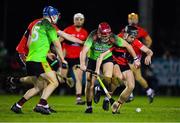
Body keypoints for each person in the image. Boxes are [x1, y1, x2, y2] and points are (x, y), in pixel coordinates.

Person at [10, 6, 77, 115]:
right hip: (35, 59)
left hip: (31, 58)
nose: (57, 18)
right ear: (51, 16)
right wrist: (62, 59)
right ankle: (41, 104)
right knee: (54, 82)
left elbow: (31, 43)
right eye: (55, 16)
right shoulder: (49, 26)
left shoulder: (36, 23)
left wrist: (47, 53)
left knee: (39, 86)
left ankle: (17, 105)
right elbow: (57, 43)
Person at [79, 22, 140, 113]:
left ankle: (99, 88)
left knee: (108, 78)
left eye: (107, 36)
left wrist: (136, 59)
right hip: (92, 59)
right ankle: (89, 106)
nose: (106, 38)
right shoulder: (93, 36)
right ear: (99, 33)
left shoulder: (113, 37)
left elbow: (128, 45)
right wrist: (82, 64)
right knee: (89, 84)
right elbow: (83, 52)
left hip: (106, 58)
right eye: (104, 36)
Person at [95, 25, 152, 114]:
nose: (133, 39)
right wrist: (97, 68)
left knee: (131, 86)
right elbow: (102, 54)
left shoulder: (135, 42)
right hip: (114, 62)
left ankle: (116, 105)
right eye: (131, 37)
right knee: (119, 78)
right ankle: (102, 91)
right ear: (125, 35)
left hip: (125, 64)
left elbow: (149, 51)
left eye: (134, 37)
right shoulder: (116, 39)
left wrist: (149, 55)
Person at [118, 13, 155, 102]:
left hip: (135, 57)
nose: (132, 20)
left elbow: (149, 40)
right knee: (137, 77)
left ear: (137, 20)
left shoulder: (141, 30)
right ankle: (149, 91)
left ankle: (130, 93)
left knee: (126, 75)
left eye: (134, 19)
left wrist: (144, 50)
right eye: (130, 19)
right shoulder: (125, 30)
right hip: (127, 56)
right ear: (128, 20)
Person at [61, 13, 88, 105]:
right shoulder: (68, 30)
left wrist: (85, 59)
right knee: (61, 79)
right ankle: (66, 80)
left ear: (83, 21)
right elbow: (58, 41)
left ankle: (79, 98)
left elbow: (86, 48)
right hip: (66, 58)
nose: (78, 21)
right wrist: (59, 54)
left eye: (81, 19)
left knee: (79, 78)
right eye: (77, 19)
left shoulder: (85, 33)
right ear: (74, 20)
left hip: (77, 59)